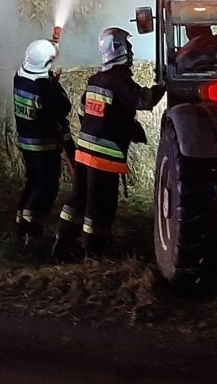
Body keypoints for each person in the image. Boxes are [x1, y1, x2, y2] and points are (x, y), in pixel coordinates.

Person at [52, 26, 165, 261]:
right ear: (119, 49)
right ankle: (94, 251)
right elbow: (143, 100)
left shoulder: (96, 79)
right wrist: (164, 85)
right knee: (100, 205)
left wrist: (123, 125)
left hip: (84, 153)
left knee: (78, 198)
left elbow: (89, 108)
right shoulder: (119, 80)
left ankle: (61, 242)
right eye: (129, 46)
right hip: (104, 156)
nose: (132, 51)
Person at [12, 37, 72, 247]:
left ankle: (21, 226)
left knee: (33, 181)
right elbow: (64, 107)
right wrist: (56, 86)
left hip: (26, 141)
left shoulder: (19, 77)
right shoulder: (44, 88)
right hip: (44, 144)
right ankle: (32, 230)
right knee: (46, 186)